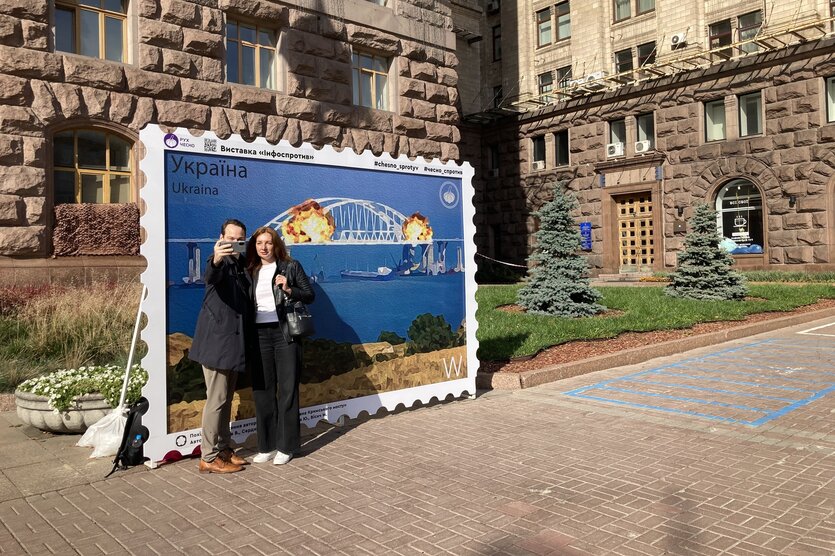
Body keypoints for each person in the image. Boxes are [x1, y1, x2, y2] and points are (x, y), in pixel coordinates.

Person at [246, 226, 314, 465]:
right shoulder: (250, 270)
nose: (263, 247)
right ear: (254, 247)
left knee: (287, 391)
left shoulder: (291, 266)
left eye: (268, 242)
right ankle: (266, 446)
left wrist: (289, 289)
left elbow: (309, 295)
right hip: (259, 335)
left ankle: (287, 446)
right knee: (263, 392)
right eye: (259, 243)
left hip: (284, 333)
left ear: (276, 245)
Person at [189, 219, 253, 474]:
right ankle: (209, 455)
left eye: (239, 239)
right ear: (220, 237)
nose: (234, 243)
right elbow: (211, 275)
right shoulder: (220, 262)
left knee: (225, 399)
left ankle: (223, 446)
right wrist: (216, 258)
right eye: (230, 238)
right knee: (216, 400)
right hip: (217, 344)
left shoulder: (240, 264)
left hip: (232, 344)